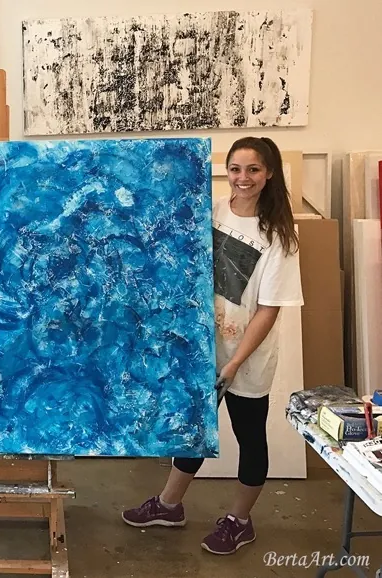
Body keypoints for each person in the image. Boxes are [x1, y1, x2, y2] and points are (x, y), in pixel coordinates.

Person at [121, 137, 304, 555]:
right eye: (236, 169)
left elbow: (268, 311)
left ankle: (240, 521)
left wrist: (235, 362)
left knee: (249, 435)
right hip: (202, 349)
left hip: (245, 356)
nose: (243, 178)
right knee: (193, 432)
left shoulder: (279, 237)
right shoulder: (215, 210)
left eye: (253, 170)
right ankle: (169, 505)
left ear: (269, 173)